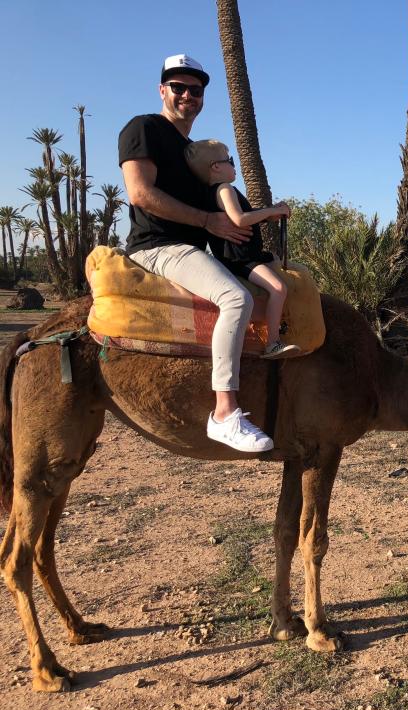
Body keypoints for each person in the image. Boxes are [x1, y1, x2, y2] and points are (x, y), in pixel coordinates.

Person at [119, 53, 272, 453]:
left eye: (196, 89)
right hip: (159, 247)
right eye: (179, 87)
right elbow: (140, 193)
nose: (188, 94)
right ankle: (224, 413)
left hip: (193, 248)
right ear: (162, 90)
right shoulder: (144, 128)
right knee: (234, 298)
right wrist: (208, 222)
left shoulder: (192, 150)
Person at [185, 139, 299, 359]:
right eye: (230, 160)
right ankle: (273, 342)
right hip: (242, 259)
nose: (233, 165)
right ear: (216, 167)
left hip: (241, 257)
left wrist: (268, 213)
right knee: (279, 288)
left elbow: (242, 215)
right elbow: (239, 219)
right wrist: (268, 212)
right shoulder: (225, 189)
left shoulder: (214, 192)